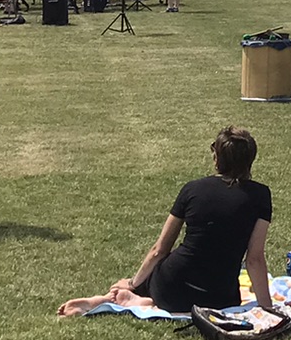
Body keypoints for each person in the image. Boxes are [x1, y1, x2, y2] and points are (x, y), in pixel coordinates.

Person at [58, 127, 276, 317]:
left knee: (161, 279)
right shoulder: (260, 195)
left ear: (217, 158)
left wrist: (134, 283)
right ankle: (138, 300)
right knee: (194, 293)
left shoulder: (193, 189)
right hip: (219, 298)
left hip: (171, 287)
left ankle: (128, 298)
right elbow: (254, 259)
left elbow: (159, 250)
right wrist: (267, 309)